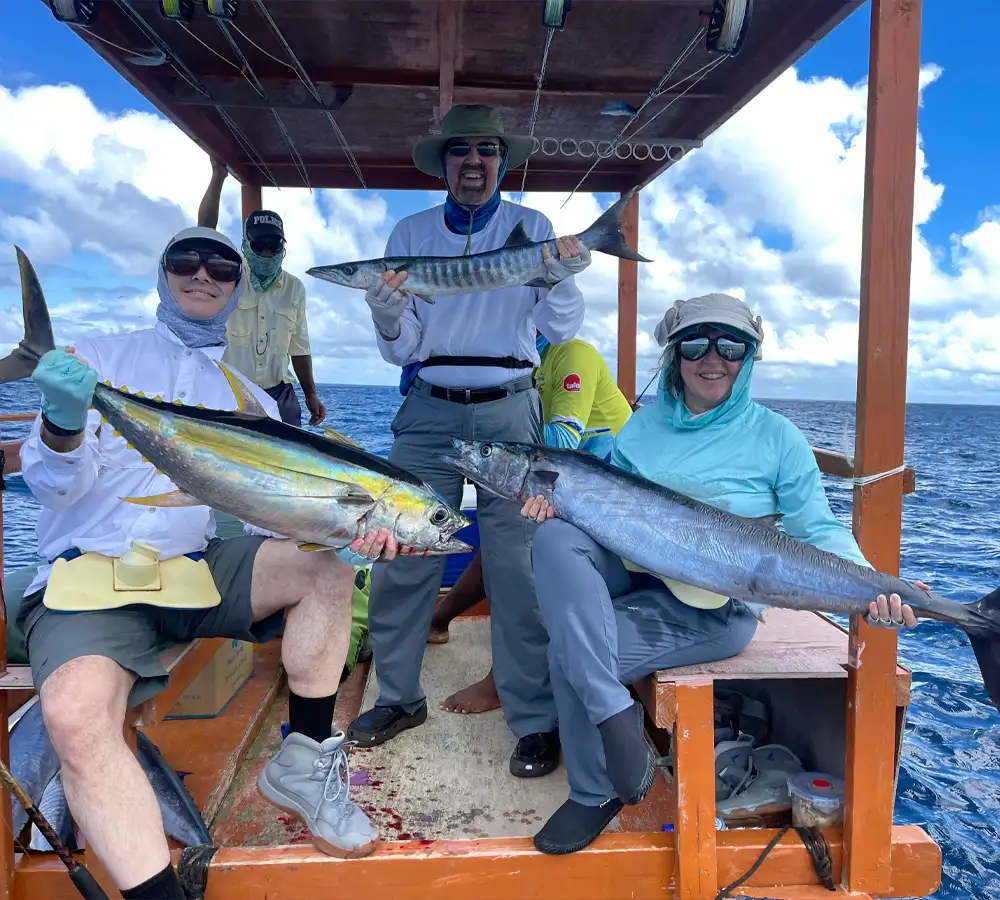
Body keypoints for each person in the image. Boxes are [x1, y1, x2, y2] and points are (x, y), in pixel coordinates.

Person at [13, 226, 391, 899]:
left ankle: (304, 763)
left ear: (238, 287)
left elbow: (266, 519)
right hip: (88, 577)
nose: (202, 275)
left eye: (221, 267)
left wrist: (339, 529)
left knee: (327, 571)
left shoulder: (248, 397)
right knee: (73, 714)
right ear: (162, 274)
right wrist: (65, 422)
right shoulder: (95, 359)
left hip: (193, 568)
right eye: (185, 261)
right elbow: (55, 488)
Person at [517, 292, 924, 855]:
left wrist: (873, 584)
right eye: (695, 345)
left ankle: (593, 791)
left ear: (749, 356)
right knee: (554, 537)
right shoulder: (642, 426)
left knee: (571, 654)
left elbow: (818, 528)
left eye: (731, 346)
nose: (713, 359)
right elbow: (608, 512)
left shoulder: (777, 437)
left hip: (714, 605)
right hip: (638, 577)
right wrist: (559, 505)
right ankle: (614, 715)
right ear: (675, 355)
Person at [346, 104, 589, 780]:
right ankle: (398, 698)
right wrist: (385, 312)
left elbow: (559, 326)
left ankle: (531, 715)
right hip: (429, 408)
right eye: (461, 150)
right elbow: (405, 349)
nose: (474, 162)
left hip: (511, 408)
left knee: (519, 568)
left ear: (502, 162)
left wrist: (560, 275)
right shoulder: (410, 232)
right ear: (445, 163)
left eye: (487, 149)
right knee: (404, 556)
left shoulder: (531, 227)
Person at [428, 333, 633, 715]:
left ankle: (500, 678)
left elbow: (563, 439)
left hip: (609, 498)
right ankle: (438, 620)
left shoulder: (573, 355)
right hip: (563, 490)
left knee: (523, 548)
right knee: (500, 543)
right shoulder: (525, 365)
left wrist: (493, 447)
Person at [197, 157, 326, 428]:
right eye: (259, 245)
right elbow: (204, 236)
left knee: (290, 455)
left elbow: (299, 347)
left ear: (283, 247)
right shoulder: (227, 276)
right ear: (245, 245)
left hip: (280, 395)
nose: (267, 253)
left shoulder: (294, 288)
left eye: (274, 245)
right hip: (228, 393)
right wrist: (218, 176)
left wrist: (311, 394)